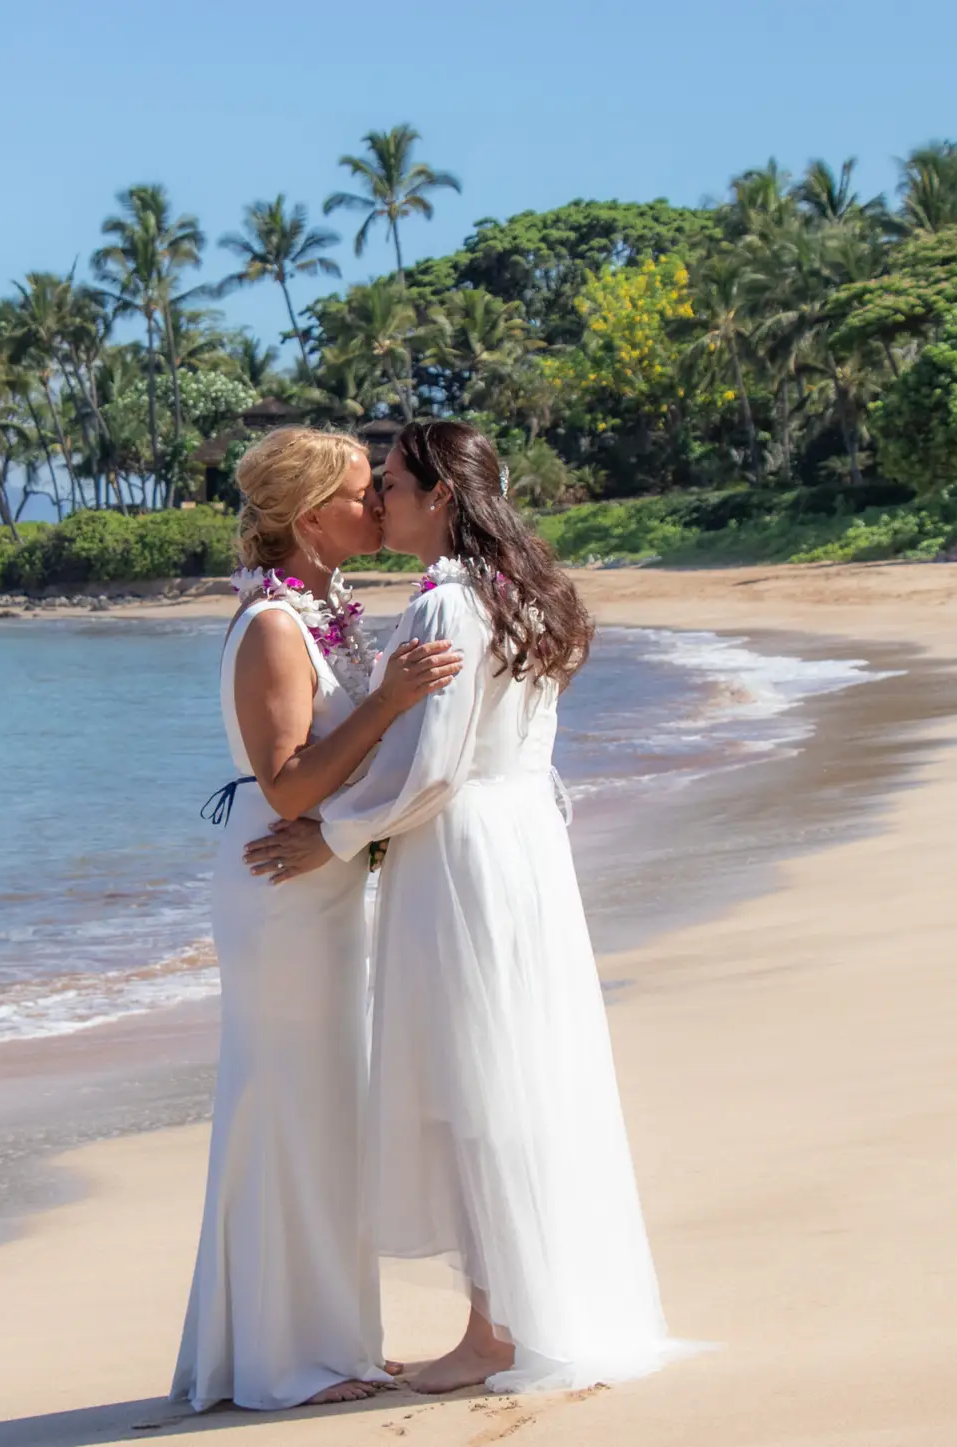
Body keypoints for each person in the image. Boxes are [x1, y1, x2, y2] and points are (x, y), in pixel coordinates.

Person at [248, 420, 695, 1395]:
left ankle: (493, 1331)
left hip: (460, 854)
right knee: (516, 1071)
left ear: (440, 495)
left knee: (473, 1083)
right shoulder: (518, 590)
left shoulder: (447, 603)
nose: (380, 501)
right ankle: (515, 1313)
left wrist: (334, 835)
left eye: (391, 483)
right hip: (523, 844)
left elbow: (435, 768)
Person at [172, 427, 464, 1411]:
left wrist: (366, 834)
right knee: (290, 1104)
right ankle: (284, 1360)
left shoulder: (322, 613)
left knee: (326, 1107)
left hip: (321, 884)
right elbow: (289, 786)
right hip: (281, 890)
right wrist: (388, 701)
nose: (376, 504)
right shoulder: (271, 627)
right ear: (306, 517)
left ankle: (324, 1340)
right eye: (358, 492)